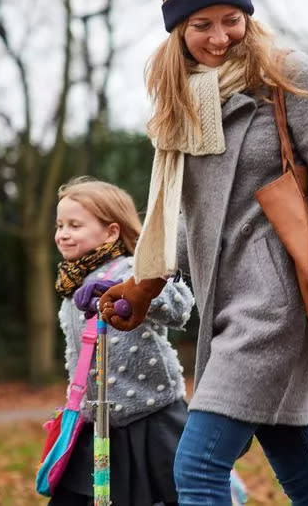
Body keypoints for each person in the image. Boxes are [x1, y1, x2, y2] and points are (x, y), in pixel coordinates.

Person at [97, 0, 308, 504]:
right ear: (177, 29)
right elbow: (191, 215)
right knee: (307, 482)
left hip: (275, 306)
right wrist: (144, 283)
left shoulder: (289, 76)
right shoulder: (185, 98)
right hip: (222, 304)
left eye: (232, 19)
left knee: (198, 468)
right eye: (202, 24)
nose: (221, 37)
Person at [50, 176, 195, 506]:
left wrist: (134, 296)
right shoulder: (71, 286)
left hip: (151, 420)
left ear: (112, 231)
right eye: (60, 225)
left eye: (75, 225)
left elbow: (178, 305)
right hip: (97, 423)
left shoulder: (133, 270)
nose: (63, 233)